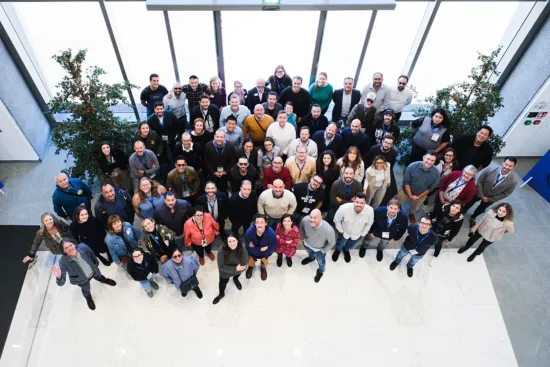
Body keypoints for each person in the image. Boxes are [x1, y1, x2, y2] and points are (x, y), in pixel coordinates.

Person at [51, 241, 116, 310]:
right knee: (86, 289)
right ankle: (88, 298)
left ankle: (104, 280)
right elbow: (61, 283)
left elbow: (92, 255)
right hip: (81, 279)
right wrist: (59, 276)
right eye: (66, 248)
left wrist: (95, 265)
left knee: (99, 276)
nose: (70, 248)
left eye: (71, 245)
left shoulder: (83, 247)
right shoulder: (63, 262)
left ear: (74, 244)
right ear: (64, 251)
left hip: (93, 271)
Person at [464, 157, 518, 227]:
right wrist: (481, 195)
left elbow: (506, 194)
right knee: (470, 201)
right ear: (503, 162)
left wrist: (489, 199)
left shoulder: (513, 181)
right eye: (506, 164)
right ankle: (463, 211)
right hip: (479, 192)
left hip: (491, 198)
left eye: (510, 166)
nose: (507, 167)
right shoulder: (490, 169)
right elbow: (480, 181)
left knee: (481, 208)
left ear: (513, 167)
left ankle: (473, 217)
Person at [397, 151, 440, 223]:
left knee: (415, 207)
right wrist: (410, 196)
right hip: (406, 191)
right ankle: (396, 212)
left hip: (421, 194)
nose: (429, 162)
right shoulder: (412, 166)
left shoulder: (436, 173)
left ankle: (411, 214)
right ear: (423, 157)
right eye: (428, 159)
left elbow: (430, 188)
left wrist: (419, 196)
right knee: (396, 201)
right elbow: (406, 183)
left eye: (432, 160)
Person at [332, 193, 374, 263]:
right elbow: (336, 220)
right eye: (357, 202)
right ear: (354, 201)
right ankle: (338, 250)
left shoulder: (370, 211)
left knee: (350, 244)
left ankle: (346, 250)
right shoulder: (343, 208)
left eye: (361, 203)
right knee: (340, 243)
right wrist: (341, 230)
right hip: (344, 232)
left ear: (365, 203)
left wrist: (363, 234)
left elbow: (369, 224)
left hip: (358, 234)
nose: (359, 205)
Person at [299, 209, 336, 283]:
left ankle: (321, 271)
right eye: (311, 217)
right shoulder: (305, 220)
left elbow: (331, 243)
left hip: (319, 249)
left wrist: (323, 251)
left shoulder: (328, 230)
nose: (312, 220)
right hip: (307, 244)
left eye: (315, 218)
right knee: (310, 253)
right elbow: (301, 228)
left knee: (321, 262)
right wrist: (302, 239)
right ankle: (311, 258)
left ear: (321, 218)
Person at [212, 233, 248, 305]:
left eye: (234, 241)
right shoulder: (221, 250)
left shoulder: (242, 248)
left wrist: (237, 269)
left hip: (237, 271)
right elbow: (221, 267)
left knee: (236, 276)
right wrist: (235, 268)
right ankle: (221, 294)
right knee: (222, 283)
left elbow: (244, 266)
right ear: (227, 242)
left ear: (237, 241)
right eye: (230, 241)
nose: (232, 244)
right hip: (225, 273)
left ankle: (235, 279)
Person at [365, 135, 398, 206]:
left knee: (390, 192)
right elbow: (367, 161)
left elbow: (390, 166)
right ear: (382, 141)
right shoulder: (374, 149)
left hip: (384, 172)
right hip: (372, 171)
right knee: (369, 195)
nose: (387, 144)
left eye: (389, 143)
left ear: (392, 145)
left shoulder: (394, 153)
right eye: (386, 142)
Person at [430, 200, 464, 266]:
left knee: (438, 245)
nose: (454, 209)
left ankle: (435, 255)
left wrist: (448, 239)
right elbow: (434, 215)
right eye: (453, 206)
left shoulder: (458, 219)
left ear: (459, 210)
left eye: (457, 208)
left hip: (442, 235)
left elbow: (455, 231)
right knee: (428, 239)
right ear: (450, 205)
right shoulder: (443, 209)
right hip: (433, 229)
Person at [245, 214, 277, 281]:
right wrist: (260, 249)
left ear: (266, 223)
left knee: (264, 261)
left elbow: (271, 249)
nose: (259, 225)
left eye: (262, 222)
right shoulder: (248, 233)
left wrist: (255, 249)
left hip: (265, 253)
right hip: (253, 253)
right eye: (257, 222)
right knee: (250, 261)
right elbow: (248, 248)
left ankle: (263, 268)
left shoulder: (271, 234)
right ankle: (250, 267)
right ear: (255, 223)